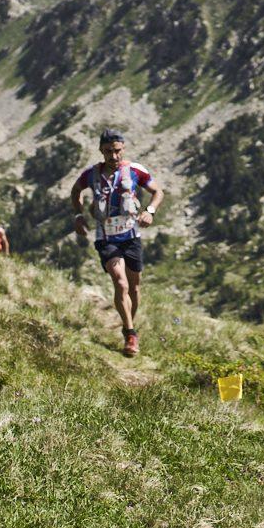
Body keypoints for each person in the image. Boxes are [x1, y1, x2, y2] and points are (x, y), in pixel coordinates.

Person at [70, 129, 164, 357]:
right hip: (106, 238)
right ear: (101, 151)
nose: (113, 156)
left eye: (117, 151)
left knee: (134, 288)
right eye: (108, 151)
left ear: (123, 149)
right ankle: (131, 335)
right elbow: (75, 190)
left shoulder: (135, 170)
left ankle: (128, 323)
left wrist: (150, 211)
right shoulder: (91, 174)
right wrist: (79, 216)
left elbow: (157, 191)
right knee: (120, 284)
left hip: (131, 236)